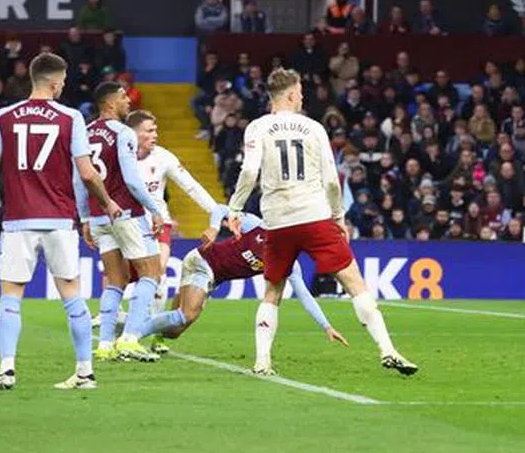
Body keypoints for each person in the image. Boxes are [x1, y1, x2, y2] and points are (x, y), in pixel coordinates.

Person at [225, 68, 417, 376]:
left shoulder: (257, 128)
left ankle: (262, 361)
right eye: (300, 92)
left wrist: (234, 208)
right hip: (314, 215)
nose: (302, 96)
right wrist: (338, 217)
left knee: (272, 291)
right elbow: (331, 179)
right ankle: (387, 349)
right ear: (290, 94)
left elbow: (249, 172)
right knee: (354, 282)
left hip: (277, 220)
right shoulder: (313, 127)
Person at [0, 52, 121, 391]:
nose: (64, 85)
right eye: (64, 81)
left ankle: (7, 369)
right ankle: (85, 371)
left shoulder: (5, 117)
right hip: (58, 218)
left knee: (11, 293)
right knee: (71, 292)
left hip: (18, 220)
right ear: (55, 82)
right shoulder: (71, 118)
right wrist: (108, 201)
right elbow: (86, 173)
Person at [139, 209, 346, 346]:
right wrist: (214, 226)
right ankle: (132, 335)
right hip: (203, 261)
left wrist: (326, 326)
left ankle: (125, 325)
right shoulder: (255, 225)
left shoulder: (290, 264)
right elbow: (221, 208)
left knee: (174, 330)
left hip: (214, 277)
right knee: (188, 314)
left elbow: (305, 296)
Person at [78, 82, 166, 363]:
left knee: (116, 280)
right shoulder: (123, 132)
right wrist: (155, 208)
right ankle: (129, 338)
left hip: (98, 216)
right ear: (110, 103)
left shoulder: (84, 133)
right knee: (151, 273)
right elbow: (131, 179)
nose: (129, 100)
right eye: (123, 96)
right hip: (125, 213)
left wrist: (85, 218)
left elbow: (79, 179)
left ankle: (105, 344)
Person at [130, 109, 222, 350]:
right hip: (128, 225)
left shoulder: (163, 157)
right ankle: (115, 333)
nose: (155, 135)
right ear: (134, 133)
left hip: (159, 224)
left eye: (156, 130)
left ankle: (154, 336)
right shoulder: (121, 158)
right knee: (120, 280)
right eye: (149, 131)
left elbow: (190, 187)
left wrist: (216, 211)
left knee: (158, 274)